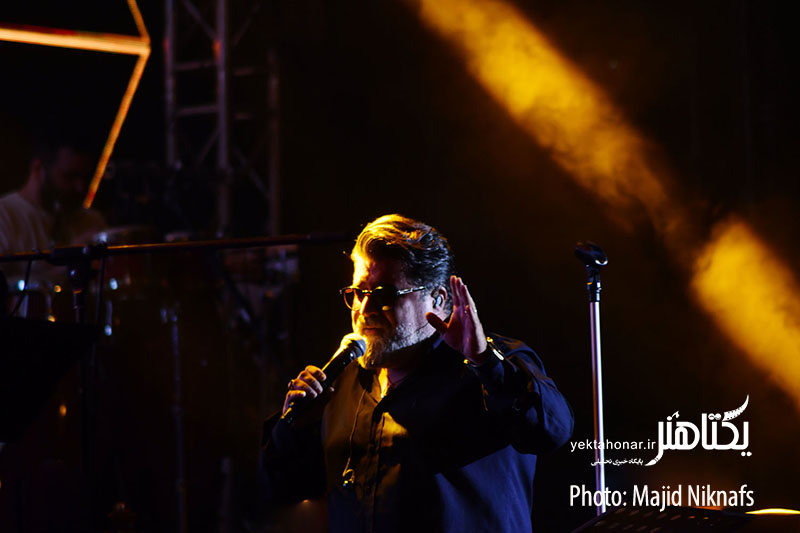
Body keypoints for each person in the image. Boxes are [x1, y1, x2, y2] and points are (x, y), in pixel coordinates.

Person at [261, 214, 573, 532]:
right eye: (357, 292)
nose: (364, 309)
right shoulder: (341, 385)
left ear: (436, 299)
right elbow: (282, 490)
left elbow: (552, 430)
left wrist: (485, 361)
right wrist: (293, 429)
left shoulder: (486, 365)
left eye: (383, 294)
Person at [0, 131, 105, 289]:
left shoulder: (92, 221)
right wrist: (67, 266)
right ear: (37, 168)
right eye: (69, 176)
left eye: (86, 178)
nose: (80, 187)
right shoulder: (4, 216)